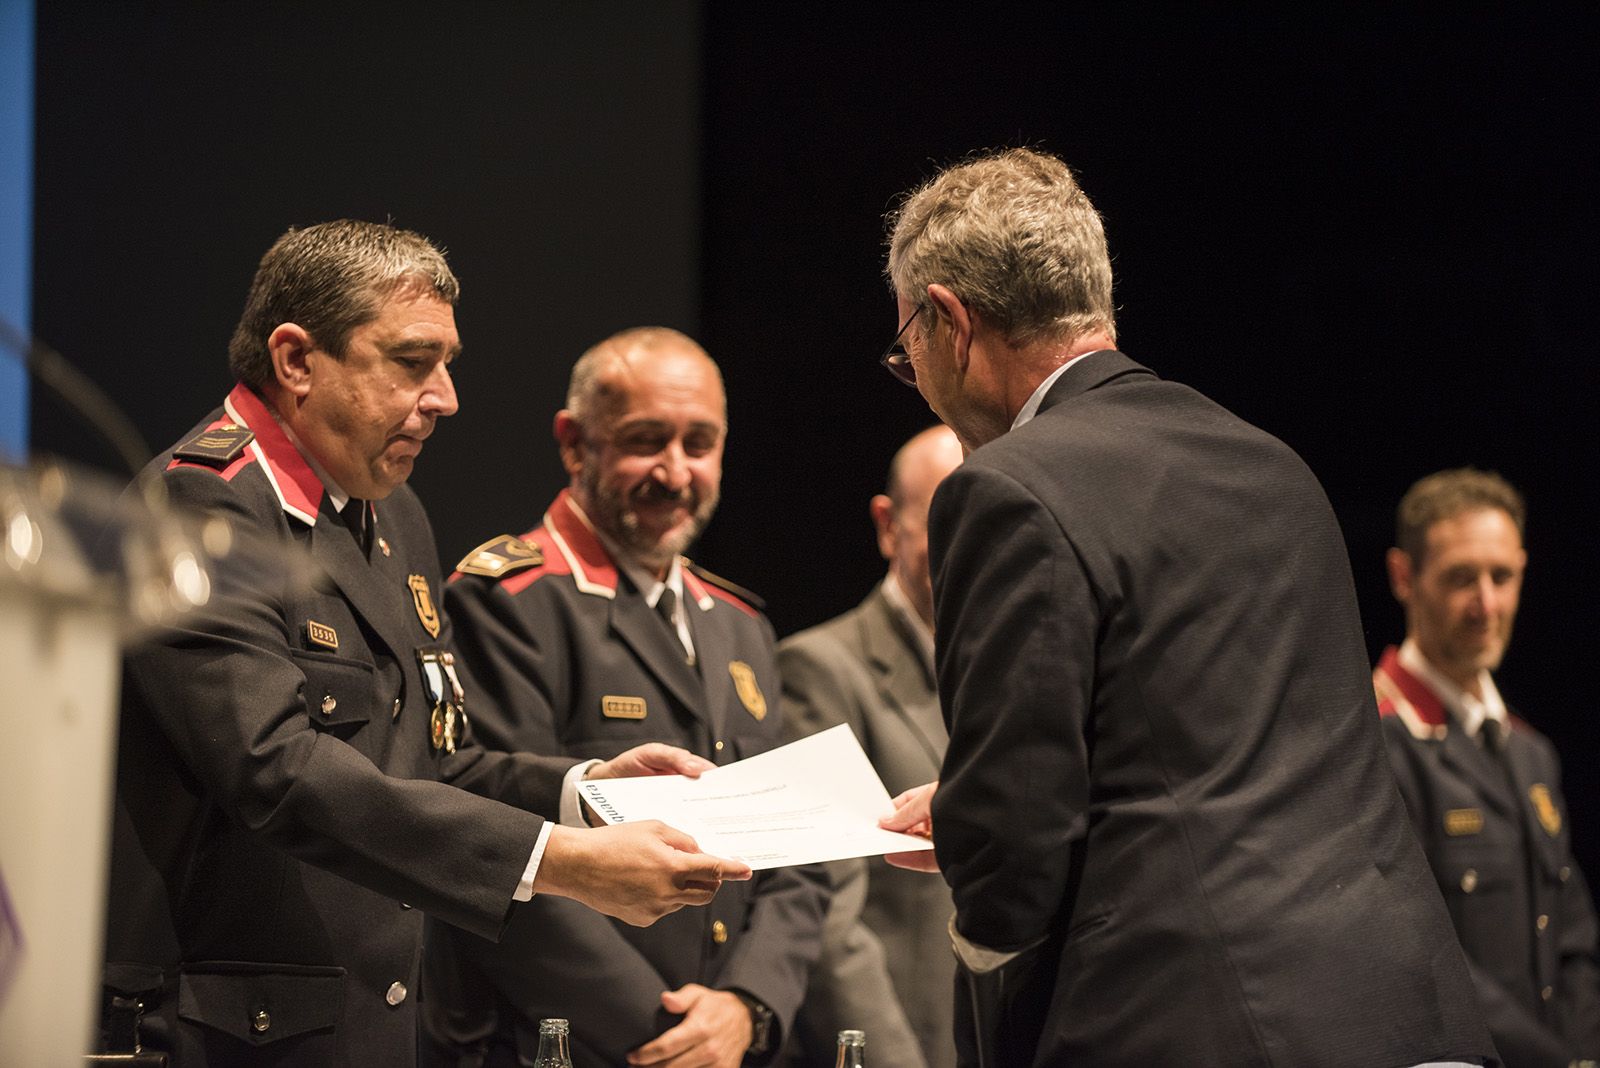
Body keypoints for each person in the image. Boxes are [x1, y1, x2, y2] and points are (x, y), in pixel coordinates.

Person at [873, 148, 1495, 1067]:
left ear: (952, 323)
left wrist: (981, 859)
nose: (914, 372)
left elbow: (1017, 840)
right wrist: (972, 809)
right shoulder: (1271, 462)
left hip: (1199, 1024)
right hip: (1408, 1010)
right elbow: (1224, 755)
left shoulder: (1004, 488)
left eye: (906, 347)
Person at [98, 222, 749, 1067]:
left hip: (371, 1025)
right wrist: (559, 861)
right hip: (229, 1034)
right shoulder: (202, 507)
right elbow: (276, 769)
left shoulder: (390, 509)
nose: (445, 397)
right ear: (297, 361)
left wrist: (586, 793)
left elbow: (435, 762)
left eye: (446, 363)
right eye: (412, 362)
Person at [425, 327, 828, 1067]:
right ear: (576, 444)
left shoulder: (742, 626)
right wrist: (667, 1037)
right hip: (567, 1046)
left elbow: (793, 855)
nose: (676, 473)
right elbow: (498, 847)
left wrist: (747, 1006)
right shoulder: (507, 602)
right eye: (647, 440)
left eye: (699, 444)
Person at [1375, 468, 1600, 1068]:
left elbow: (1573, 938)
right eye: (1460, 578)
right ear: (1404, 576)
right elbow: (1416, 954)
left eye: (1502, 576)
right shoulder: (1376, 741)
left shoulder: (1532, 753)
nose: (1487, 603)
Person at [777, 424, 962, 1068]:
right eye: (950, 518)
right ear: (889, 526)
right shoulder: (821, 668)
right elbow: (827, 910)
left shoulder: (1030, 669)